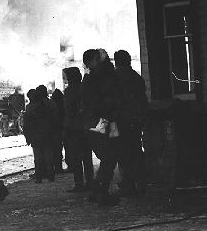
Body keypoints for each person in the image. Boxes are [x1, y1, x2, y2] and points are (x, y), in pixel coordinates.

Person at [82, 49, 123, 206]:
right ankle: (101, 191)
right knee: (110, 156)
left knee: (110, 155)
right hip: (104, 121)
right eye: (99, 59)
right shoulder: (98, 77)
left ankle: (99, 190)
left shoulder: (91, 77)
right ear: (93, 61)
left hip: (103, 121)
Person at [114, 49, 148, 196]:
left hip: (119, 121)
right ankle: (140, 182)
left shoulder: (115, 78)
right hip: (135, 121)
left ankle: (128, 185)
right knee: (136, 151)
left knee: (121, 153)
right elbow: (142, 101)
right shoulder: (137, 78)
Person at [63, 67, 93, 192]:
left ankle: (79, 183)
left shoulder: (70, 91)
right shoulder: (84, 88)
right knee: (87, 156)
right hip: (86, 126)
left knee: (75, 157)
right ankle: (90, 181)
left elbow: (68, 109)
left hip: (74, 127)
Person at [23, 86, 56, 183]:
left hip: (35, 135)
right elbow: (53, 120)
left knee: (38, 158)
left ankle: (39, 177)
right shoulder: (47, 106)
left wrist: (27, 137)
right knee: (48, 156)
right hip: (47, 134)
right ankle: (51, 176)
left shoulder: (29, 108)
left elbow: (26, 124)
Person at [51, 88, 65, 173]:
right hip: (62, 128)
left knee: (55, 150)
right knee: (60, 149)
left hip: (54, 130)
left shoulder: (52, 106)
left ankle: (57, 167)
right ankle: (59, 167)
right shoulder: (63, 104)